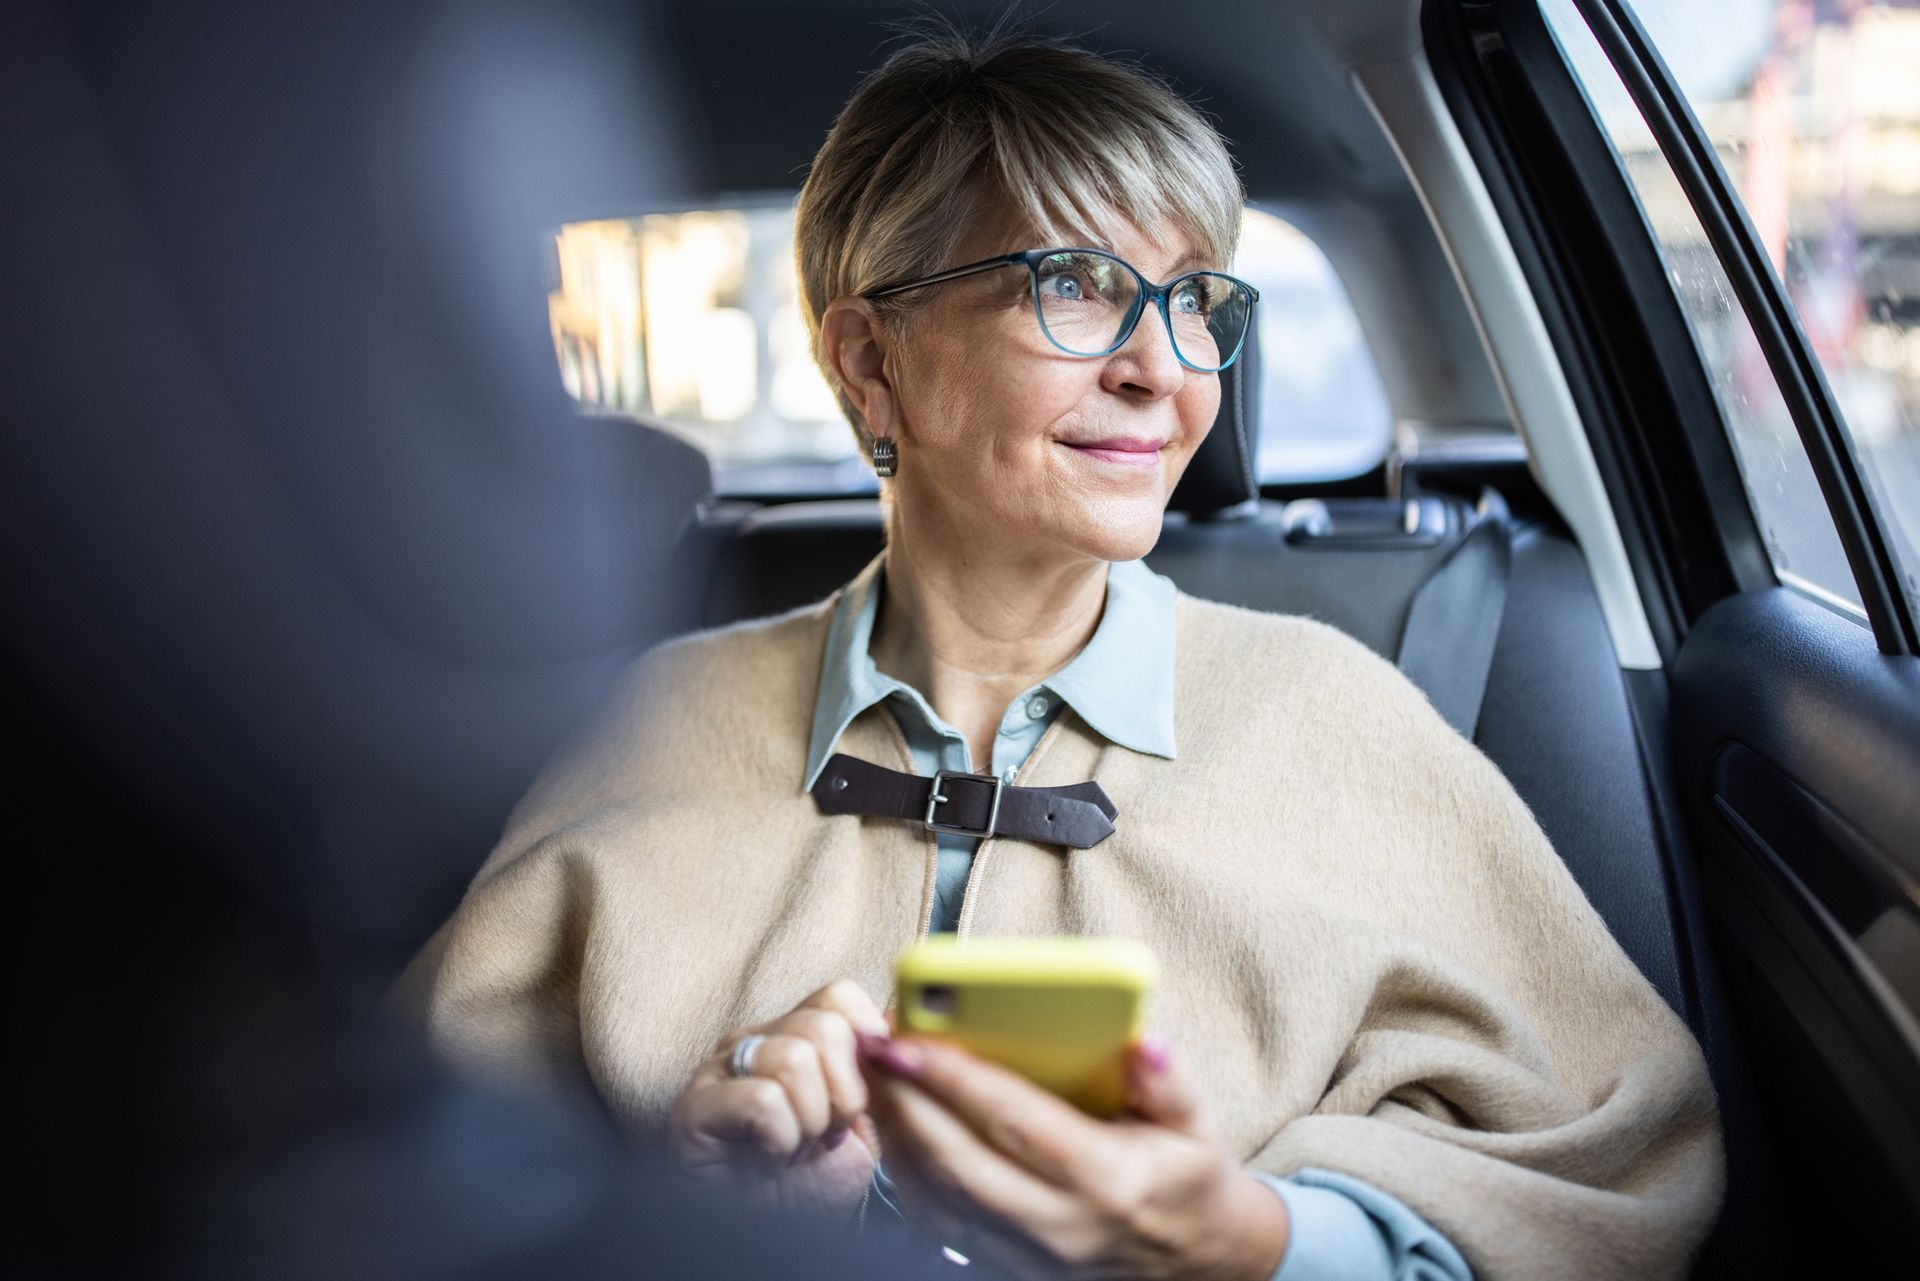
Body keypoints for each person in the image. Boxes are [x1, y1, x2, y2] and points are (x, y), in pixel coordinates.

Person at [394, 24, 1723, 1280]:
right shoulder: (647, 723)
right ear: (870, 360)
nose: (1166, 365)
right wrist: (679, 1194)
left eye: (1197, 299)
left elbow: (1608, 1169)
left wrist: (1257, 1240)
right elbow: (390, 1187)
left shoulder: (1343, 717)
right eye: (1079, 285)